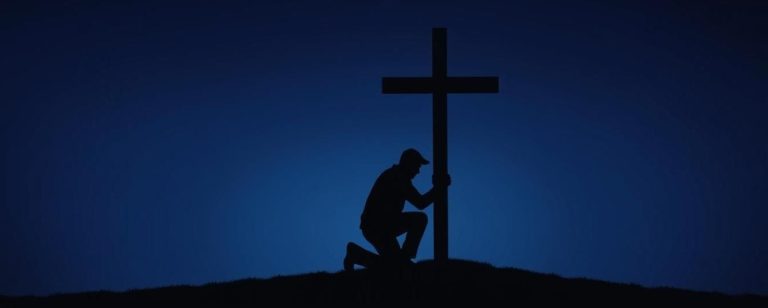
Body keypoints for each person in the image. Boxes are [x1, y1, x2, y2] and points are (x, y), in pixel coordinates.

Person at [344, 148, 450, 270]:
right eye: (417, 166)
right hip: (378, 226)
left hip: (379, 226)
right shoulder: (398, 177)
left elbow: (420, 202)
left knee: (394, 266)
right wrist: (440, 187)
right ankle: (405, 257)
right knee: (419, 219)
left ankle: (356, 254)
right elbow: (421, 203)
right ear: (409, 164)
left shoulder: (397, 176)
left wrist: (438, 188)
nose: (418, 171)